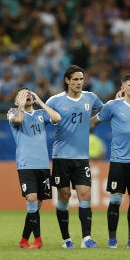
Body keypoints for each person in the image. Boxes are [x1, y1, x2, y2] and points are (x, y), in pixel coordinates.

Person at [46, 65, 104, 248]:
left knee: (85, 195)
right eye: (76, 80)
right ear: (67, 81)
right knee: (64, 196)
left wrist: (93, 122)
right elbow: (44, 119)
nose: (79, 83)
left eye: (81, 79)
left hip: (81, 157)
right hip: (61, 156)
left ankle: (87, 238)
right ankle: (66, 239)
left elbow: (105, 111)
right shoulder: (55, 101)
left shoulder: (91, 98)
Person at [90, 74, 130, 249]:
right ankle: (112, 240)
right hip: (119, 160)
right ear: (123, 88)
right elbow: (93, 122)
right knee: (115, 200)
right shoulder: (112, 106)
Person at [8, 88, 61, 249]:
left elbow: (57, 118)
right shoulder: (12, 113)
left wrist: (41, 102)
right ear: (17, 101)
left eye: (29, 94)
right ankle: (38, 240)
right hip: (26, 165)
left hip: (43, 165)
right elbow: (17, 121)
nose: (27, 96)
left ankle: (24, 240)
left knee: (36, 205)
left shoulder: (40, 115)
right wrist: (21, 106)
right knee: (31, 199)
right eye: (22, 95)